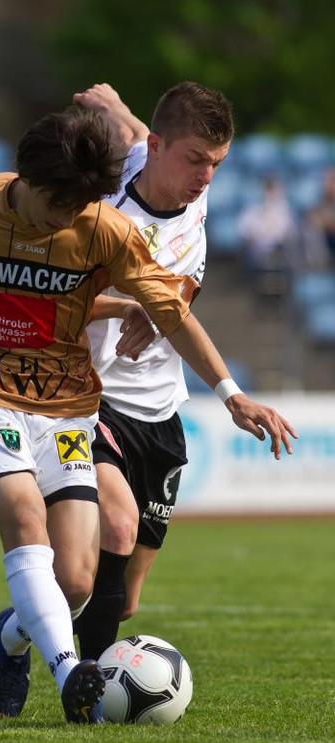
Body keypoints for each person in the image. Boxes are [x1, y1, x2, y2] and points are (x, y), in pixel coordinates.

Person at [0, 106, 296, 725]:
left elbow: (175, 314)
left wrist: (231, 393)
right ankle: (70, 671)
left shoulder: (102, 229)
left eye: (79, 206)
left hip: (66, 404)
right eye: (59, 204)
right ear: (27, 179)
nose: (66, 218)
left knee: (76, 581)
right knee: (26, 518)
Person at [69, 83, 294, 661]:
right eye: (196, 160)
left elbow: (136, 129)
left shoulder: (188, 182)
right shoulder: (104, 215)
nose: (206, 176)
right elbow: (59, 299)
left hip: (160, 407)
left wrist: (113, 105)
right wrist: (132, 307)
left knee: (122, 600)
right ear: (158, 148)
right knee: (117, 530)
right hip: (94, 397)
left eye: (217, 163)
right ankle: (88, 686)